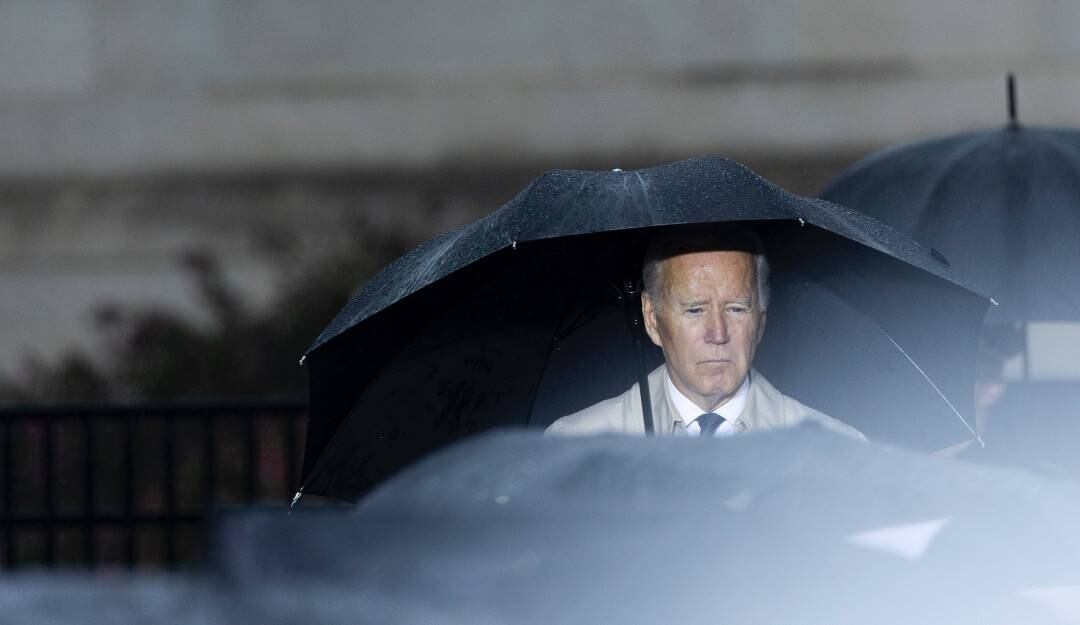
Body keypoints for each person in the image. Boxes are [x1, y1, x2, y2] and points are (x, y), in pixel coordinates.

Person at [547, 226, 864, 440]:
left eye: (736, 308)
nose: (718, 333)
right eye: (695, 310)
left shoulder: (837, 452)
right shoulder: (575, 445)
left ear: (761, 321)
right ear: (651, 319)